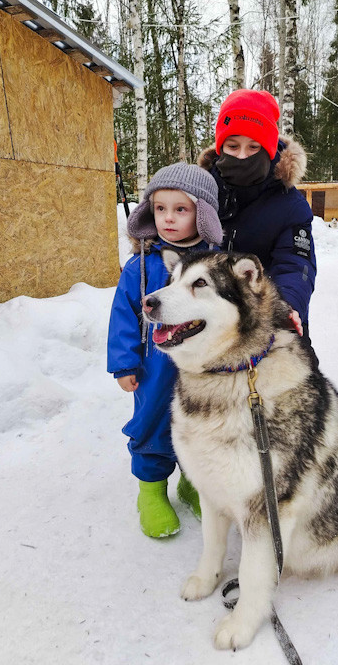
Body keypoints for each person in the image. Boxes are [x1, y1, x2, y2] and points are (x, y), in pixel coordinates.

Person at [107, 163, 223, 538]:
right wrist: (124, 362)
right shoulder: (140, 266)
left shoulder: (216, 264)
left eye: (180, 209)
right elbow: (124, 315)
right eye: (160, 209)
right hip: (154, 369)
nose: (168, 219)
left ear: (202, 214)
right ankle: (151, 493)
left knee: (203, 427)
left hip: (205, 368)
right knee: (153, 424)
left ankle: (193, 484)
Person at [198, 88, 316, 344]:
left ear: (270, 150)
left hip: (266, 317)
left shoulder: (290, 204)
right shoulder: (201, 192)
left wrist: (286, 306)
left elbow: (296, 265)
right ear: (220, 147)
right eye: (232, 146)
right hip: (209, 320)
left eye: (254, 147)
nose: (241, 156)